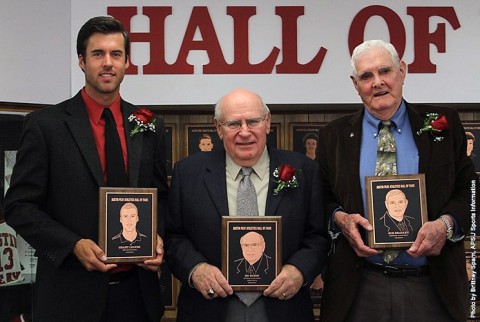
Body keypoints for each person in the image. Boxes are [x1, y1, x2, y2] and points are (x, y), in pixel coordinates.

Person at [4, 16, 169, 322]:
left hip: (137, 297)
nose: (108, 63)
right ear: (81, 61)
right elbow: (18, 206)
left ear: (127, 62)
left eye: (116, 54)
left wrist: (157, 237)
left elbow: (161, 198)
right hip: (69, 297)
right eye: (98, 54)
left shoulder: (149, 126)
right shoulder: (45, 126)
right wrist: (72, 245)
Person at [317, 40, 476, 322]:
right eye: (366, 76)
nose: (377, 82)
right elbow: (322, 196)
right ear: (355, 84)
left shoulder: (444, 123)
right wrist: (339, 218)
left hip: (432, 285)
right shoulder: (334, 136)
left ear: (401, 71)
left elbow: (469, 189)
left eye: (385, 71)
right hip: (360, 286)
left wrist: (446, 224)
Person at [165, 88, 327, 322]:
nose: (244, 132)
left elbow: (318, 236)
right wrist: (196, 269)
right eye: (233, 124)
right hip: (209, 308)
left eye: (253, 121)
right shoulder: (188, 172)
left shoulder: (303, 170)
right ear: (219, 128)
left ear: (267, 122)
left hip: (283, 308)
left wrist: (299, 271)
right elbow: (174, 237)